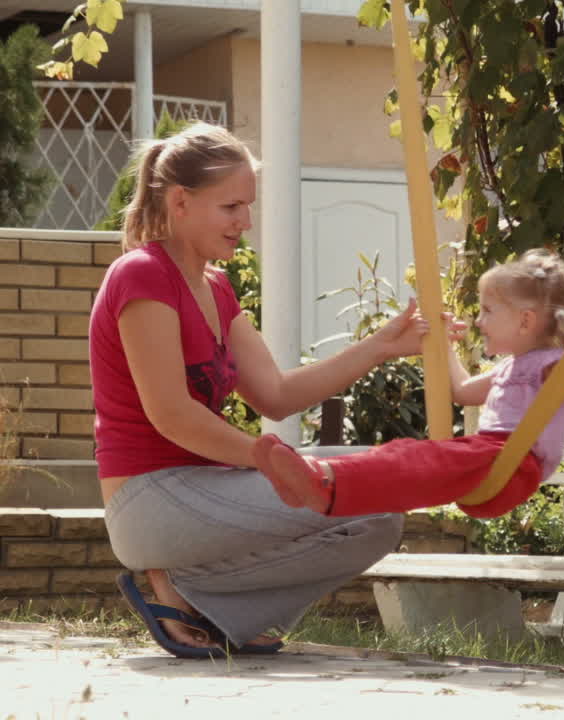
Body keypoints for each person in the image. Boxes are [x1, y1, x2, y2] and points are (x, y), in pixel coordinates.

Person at [90, 122, 429, 660]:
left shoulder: (217, 289)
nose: (246, 221)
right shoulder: (142, 276)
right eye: (231, 207)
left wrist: (382, 345)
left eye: (248, 206)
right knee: (361, 499)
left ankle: (199, 597)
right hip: (148, 500)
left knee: (380, 495)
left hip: (204, 490)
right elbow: (172, 416)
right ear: (180, 202)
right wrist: (266, 458)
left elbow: (275, 393)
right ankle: (182, 592)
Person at [253, 249, 564, 519]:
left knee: (418, 457)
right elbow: (462, 391)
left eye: (487, 310)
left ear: (525, 322)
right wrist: (443, 346)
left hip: (513, 466)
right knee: (409, 457)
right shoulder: (508, 368)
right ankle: (319, 483)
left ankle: (325, 480)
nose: (479, 320)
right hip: (487, 462)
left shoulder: (550, 366)